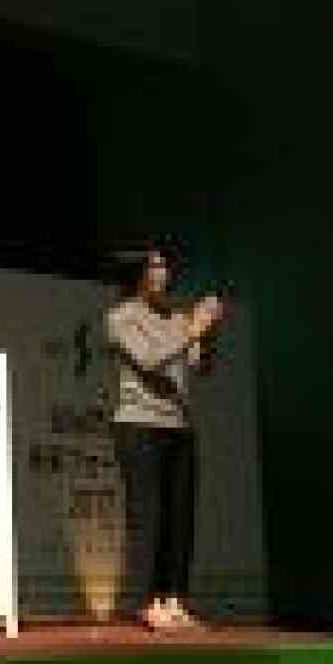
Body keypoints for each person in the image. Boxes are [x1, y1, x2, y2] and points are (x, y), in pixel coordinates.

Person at [106, 244, 224, 632]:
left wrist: (208, 331)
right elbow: (151, 358)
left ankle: (175, 599)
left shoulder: (175, 315)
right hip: (139, 425)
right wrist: (192, 328)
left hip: (180, 425)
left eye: (165, 264)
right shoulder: (121, 317)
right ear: (138, 272)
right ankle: (146, 601)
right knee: (149, 515)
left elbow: (200, 366)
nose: (163, 271)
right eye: (155, 265)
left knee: (180, 517)